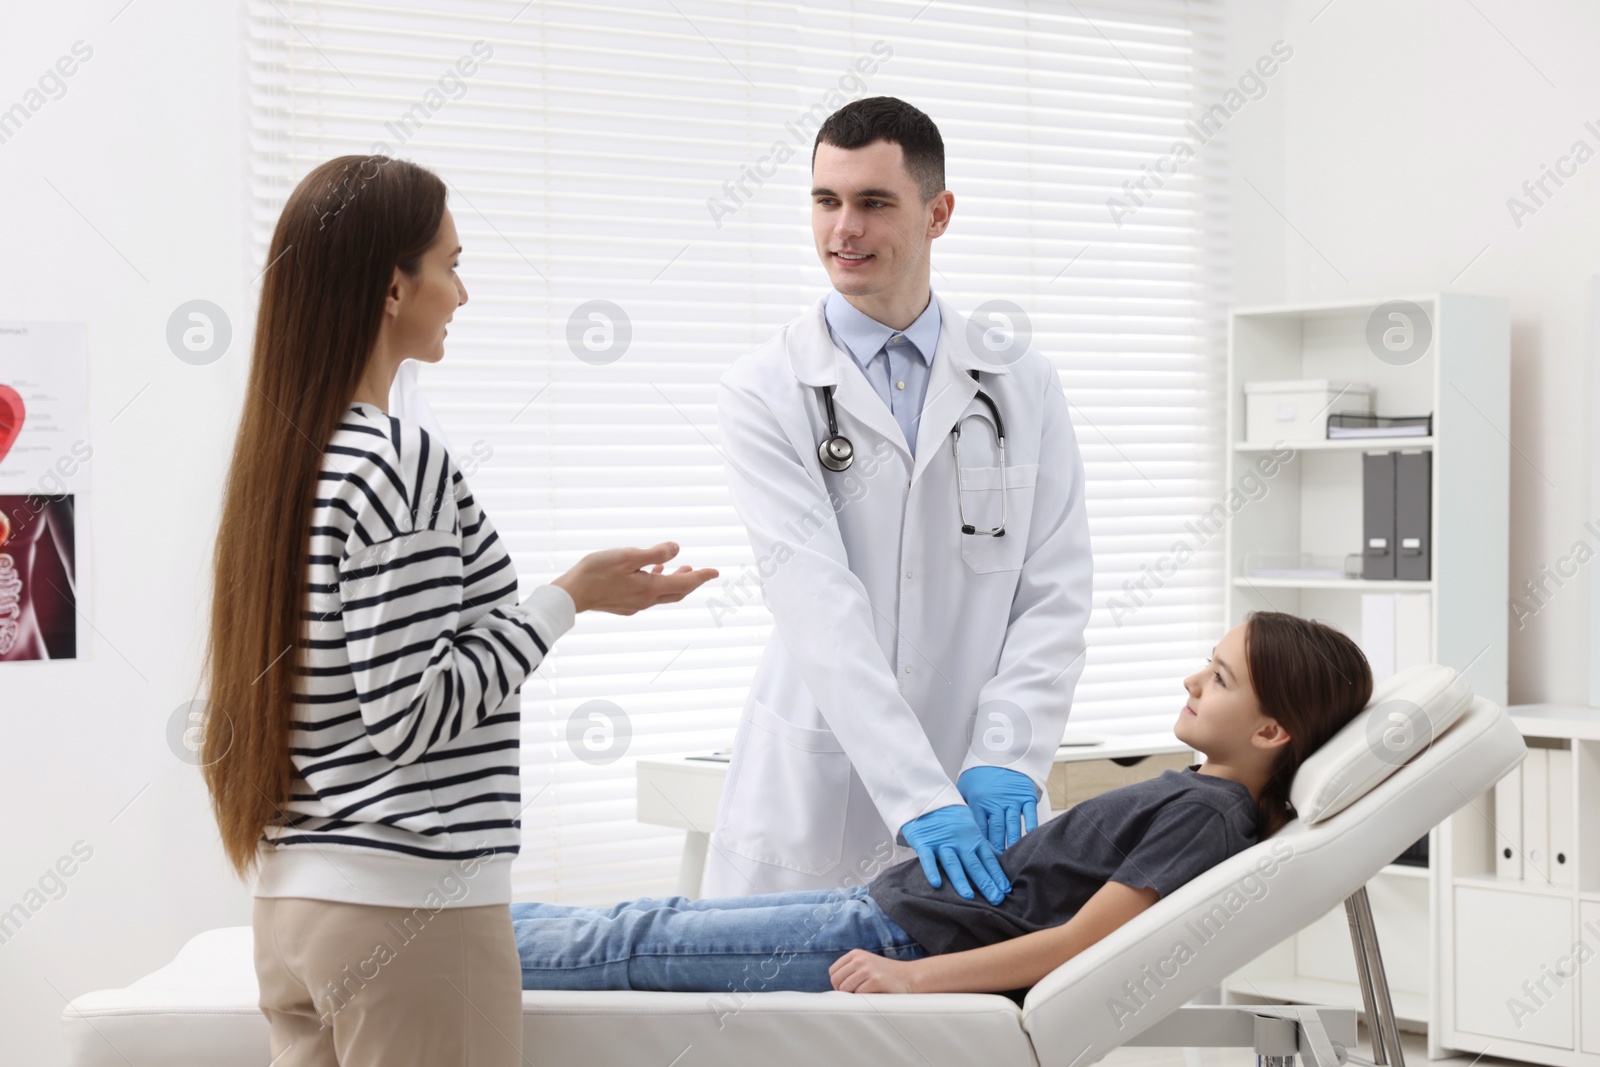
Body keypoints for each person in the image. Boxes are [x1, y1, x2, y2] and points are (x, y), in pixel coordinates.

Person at [198, 155, 718, 1067]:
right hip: (404, 912)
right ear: (394, 287)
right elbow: (411, 713)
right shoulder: (398, 463)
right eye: (450, 262)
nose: (463, 292)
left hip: (293, 909)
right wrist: (566, 601)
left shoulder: (287, 464)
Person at [512, 611, 1372, 998]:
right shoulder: (1200, 792)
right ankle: (466, 940)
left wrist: (910, 976)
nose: (1192, 677)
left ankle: (450, 955)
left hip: (896, 937)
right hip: (888, 908)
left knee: (637, 944)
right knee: (648, 922)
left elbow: (1074, 945)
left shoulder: (1208, 816)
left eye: (1217, 676)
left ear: (1270, 730)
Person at [705, 95, 1093, 904]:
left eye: (874, 203)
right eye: (826, 200)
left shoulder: (1022, 382)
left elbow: (1053, 590)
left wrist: (1005, 754)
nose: (843, 229)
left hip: (980, 777)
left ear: (938, 213)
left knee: (970, 1023)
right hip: (821, 789)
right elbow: (818, 607)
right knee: (785, 1023)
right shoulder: (765, 390)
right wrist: (919, 797)